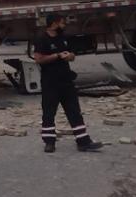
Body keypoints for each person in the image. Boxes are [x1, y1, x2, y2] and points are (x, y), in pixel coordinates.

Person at [33, 15, 103, 153]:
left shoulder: (63, 37)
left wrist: (70, 56)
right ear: (54, 24)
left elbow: (72, 54)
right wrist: (57, 56)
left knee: (74, 111)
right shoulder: (42, 38)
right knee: (49, 112)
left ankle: (83, 142)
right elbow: (38, 59)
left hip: (66, 81)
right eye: (62, 23)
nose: (64, 25)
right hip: (50, 82)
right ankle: (49, 142)